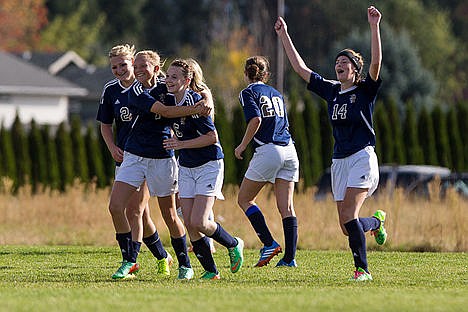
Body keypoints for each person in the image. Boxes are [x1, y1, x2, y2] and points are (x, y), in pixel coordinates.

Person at [275, 6, 388, 281]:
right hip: (340, 161)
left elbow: (375, 64)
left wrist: (374, 27)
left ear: (355, 70)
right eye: (337, 62)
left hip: (362, 156)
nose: (339, 65)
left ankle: (363, 270)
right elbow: (301, 69)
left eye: (345, 63)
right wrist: (284, 35)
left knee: (349, 214)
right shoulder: (332, 90)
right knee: (346, 226)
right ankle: (376, 222)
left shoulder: (364, 90)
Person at [108, 50, 210, 280]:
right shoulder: (135, 90)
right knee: (116, 206)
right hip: (134, 156)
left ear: (156, 68)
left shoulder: (169, 84)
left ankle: (185, 265)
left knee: (170, 214)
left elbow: (197, 88)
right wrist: (196, 108)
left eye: (144, 65)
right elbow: (164, 111)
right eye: (137, 65)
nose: (139, 69)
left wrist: (206, 100)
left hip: (163, 157)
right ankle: (129, 261)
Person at [162, 59, 244, 280]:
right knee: (189, 222)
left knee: (199, 221)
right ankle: (211, 271)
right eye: (167, 76)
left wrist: (180, 144)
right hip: (186, 166)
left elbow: (212, 137)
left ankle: (234, 243)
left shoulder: (196, 101)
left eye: (174, 77)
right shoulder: (169, 98)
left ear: (187, 81)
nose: (168, 81)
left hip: (209, 164)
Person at [97, 44, 166, 280]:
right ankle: (161, 257)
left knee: (134, 210)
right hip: (125, 157)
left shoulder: (156, 84)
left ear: (133, 63)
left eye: (123, 65)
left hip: (150, 156)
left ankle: (130, 261)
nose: (119, 70)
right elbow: (105, 124)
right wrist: (112, 147)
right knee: (138, 213)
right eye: (114, 67)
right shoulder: (111, 90)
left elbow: (179, 104)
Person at [235, 56, 299, 268]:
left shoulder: (248, 92)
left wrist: (242, 145)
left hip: (269, 150)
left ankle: (269, 243)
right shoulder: (277, 93)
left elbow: (256, 119)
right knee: (287, 207)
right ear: (266, 74)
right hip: (289, 150)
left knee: (244, 199)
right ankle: (289, 259)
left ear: (246, 74)